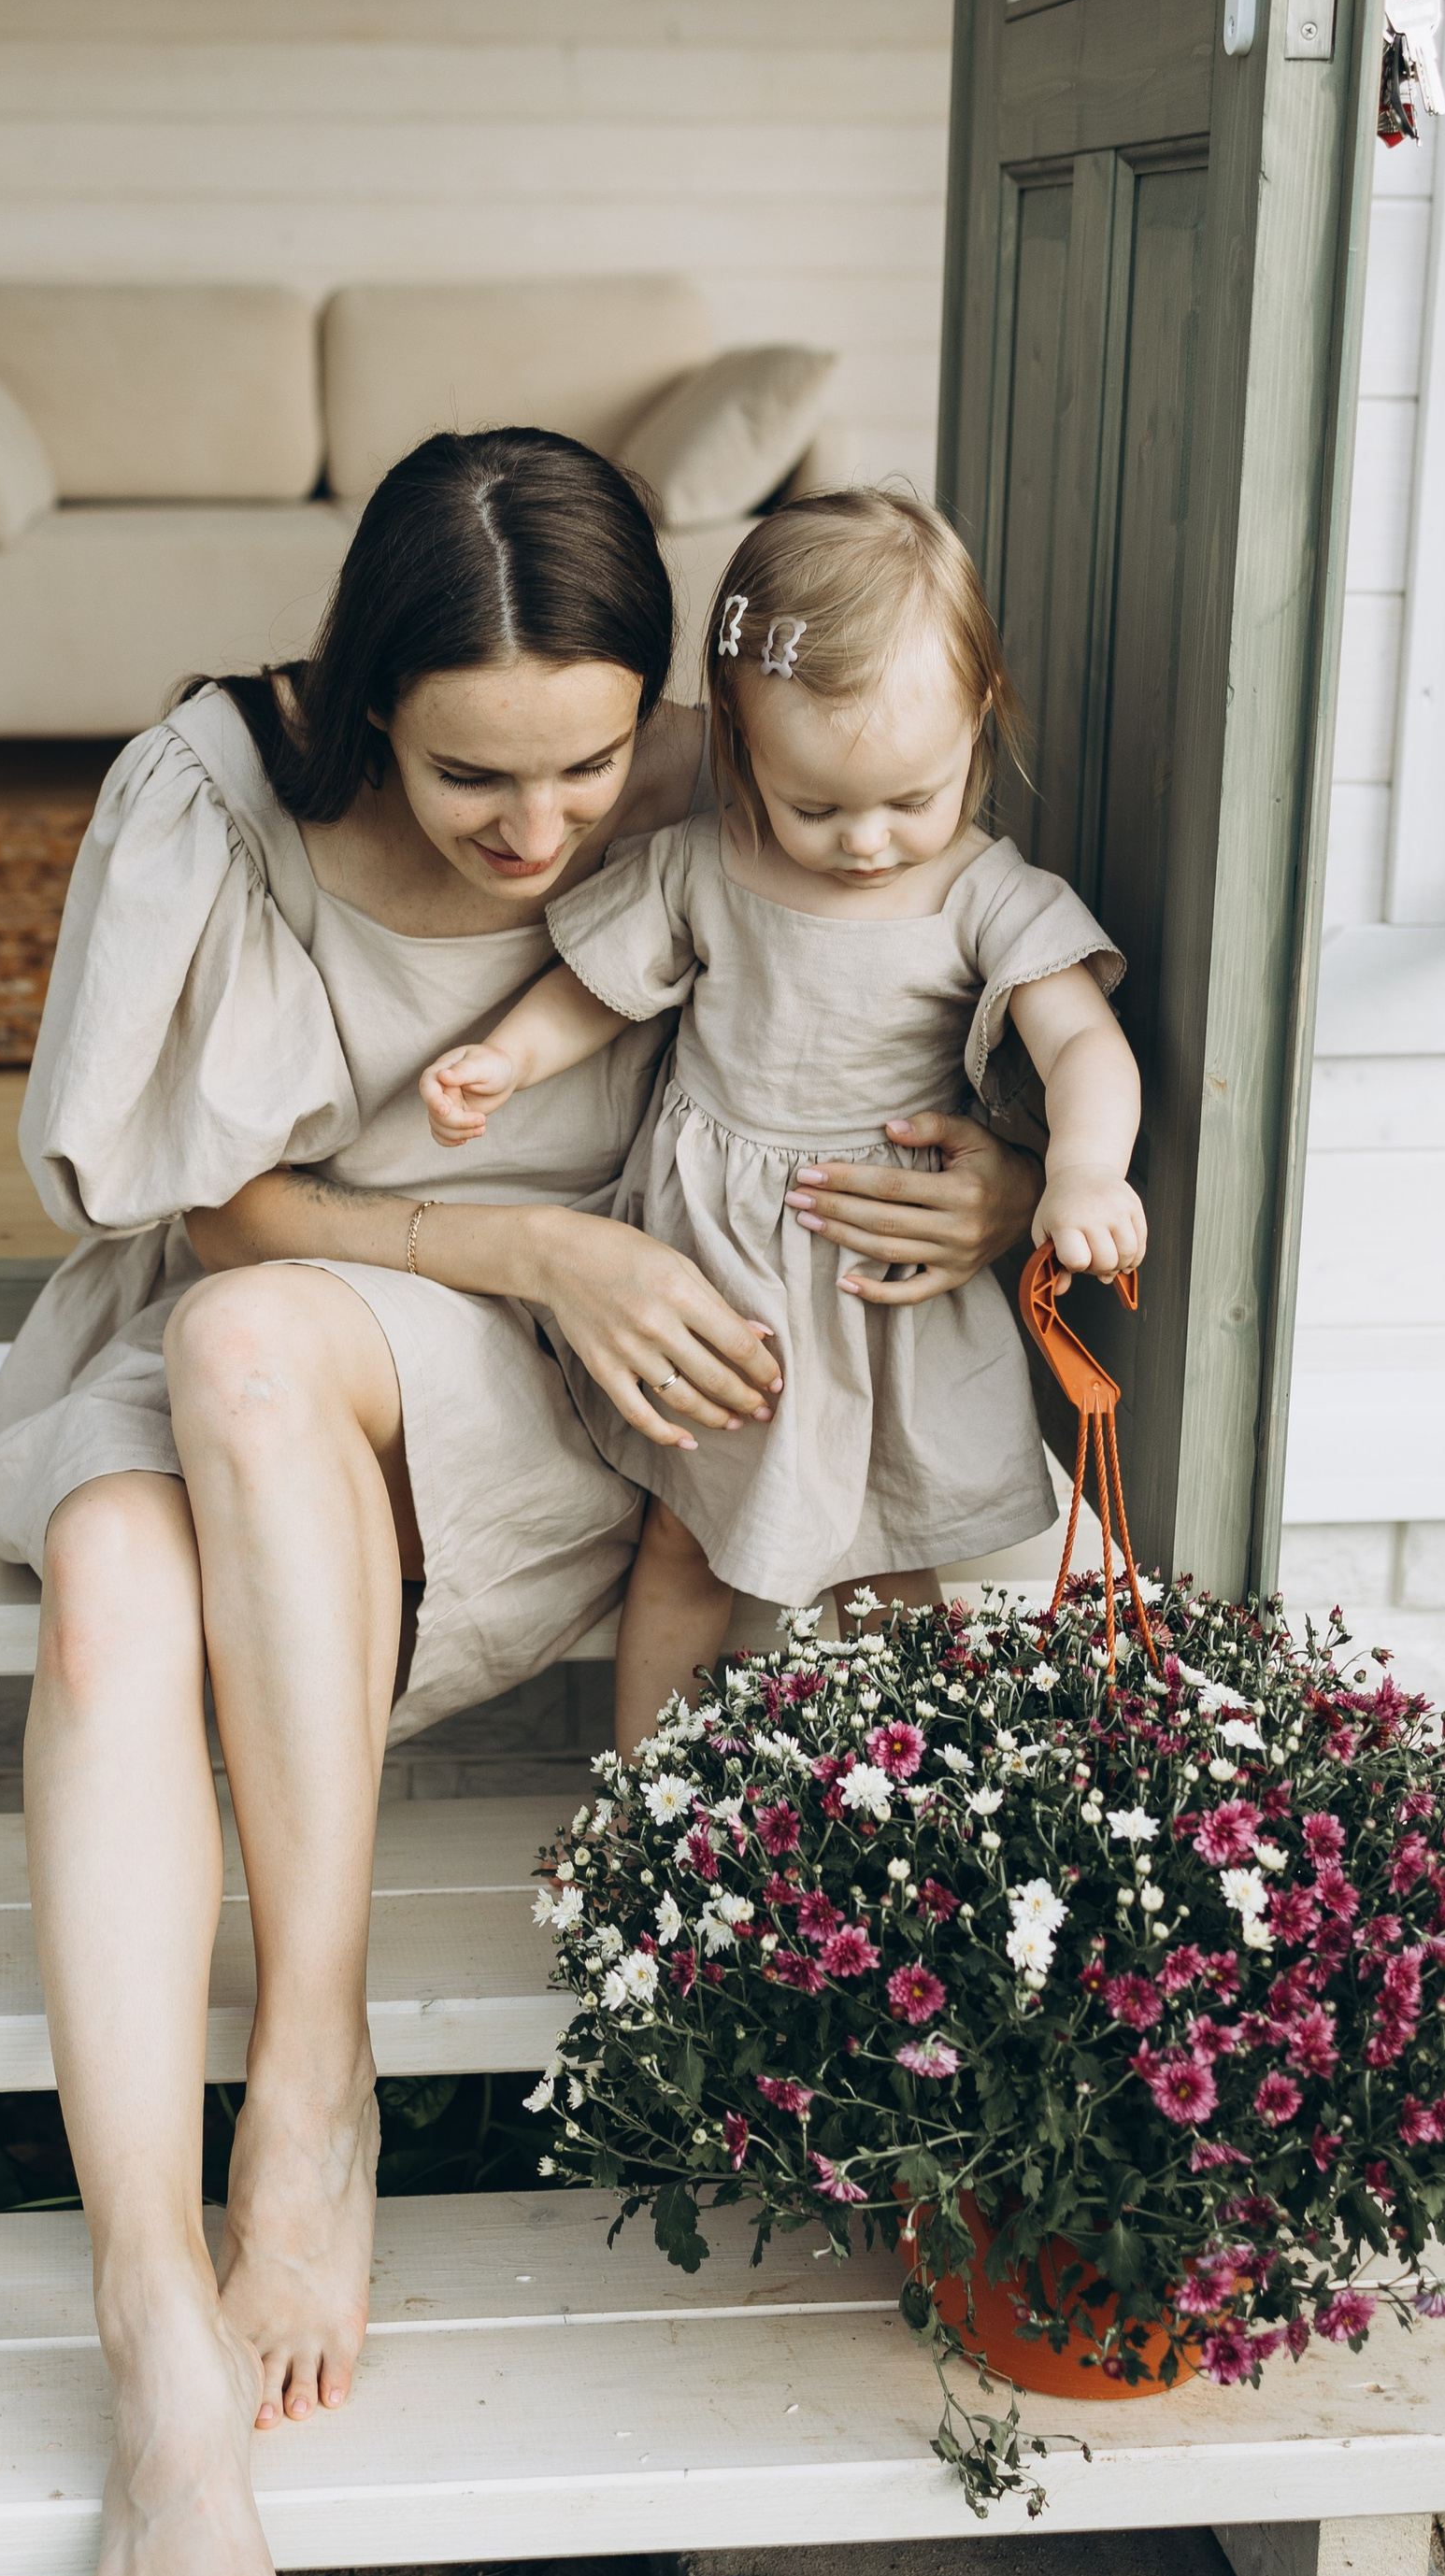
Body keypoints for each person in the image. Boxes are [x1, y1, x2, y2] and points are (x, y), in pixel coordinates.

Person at [0, 434, 1044, 2576]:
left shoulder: (721, 773)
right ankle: (160, 2302)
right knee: (118, 1579)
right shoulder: (218, 801)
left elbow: (901, 967)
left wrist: (997, 1180)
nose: (541, 827)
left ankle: (311, 2074)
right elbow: (201, 1213)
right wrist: (524, 1229)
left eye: (587, 759)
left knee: (242, 1389)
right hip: (295, 1309)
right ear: (366, 695)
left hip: (566, 1401)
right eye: (471, 773)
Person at [420, 483, 1142, 1749]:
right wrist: (505, 1058)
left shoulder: (984, 894)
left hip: (878, 1276)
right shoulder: (714, 862)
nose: (866, 842)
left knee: (889, 1564)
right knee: (684, 1547)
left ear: (978, 721)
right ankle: (645, 1802)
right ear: (743, 745)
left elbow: (1081, 1037)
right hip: (721, 1270)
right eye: (816, 806)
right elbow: (600, 990)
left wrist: (1083, 1172)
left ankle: (912, 1801)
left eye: (908, 800)